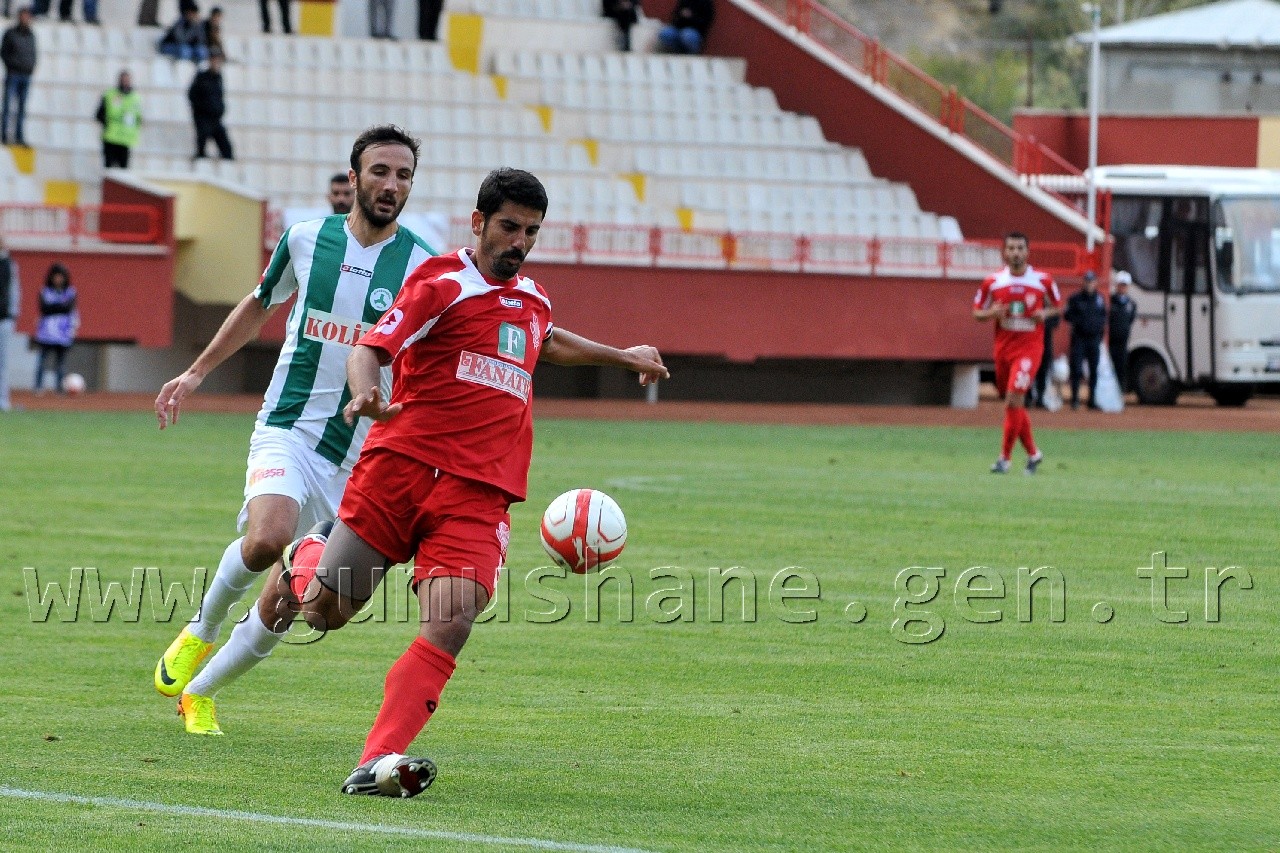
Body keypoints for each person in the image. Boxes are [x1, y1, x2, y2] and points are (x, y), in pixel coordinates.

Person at [281, 167, 668, 798]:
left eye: (531, 232)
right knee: (326, 613)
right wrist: (366, 393)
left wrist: (620, 356)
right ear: (478, 222)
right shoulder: (440, 284)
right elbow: (370, 348)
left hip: (478, 494)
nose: (520, 242)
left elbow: (544, 340)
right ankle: (307, 554)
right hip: (400, 469)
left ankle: (378, 761)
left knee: (454, 617)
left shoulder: (534, 299)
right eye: (510, 227)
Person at [152, 125, 436, 737]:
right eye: (380, 171)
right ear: (353, 178)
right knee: (267, 539)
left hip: (361, 460)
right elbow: (259, 304)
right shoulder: (307, 239)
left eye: (404, 175)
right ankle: (201, 628)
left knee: (294, 599)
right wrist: (196, 371)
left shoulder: (423, 267)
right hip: (289, 426)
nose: (392, 185)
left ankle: (199, 694)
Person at [973, 232, 1061, 474]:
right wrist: (992, 313)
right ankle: (1033, 454)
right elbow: (976, 312)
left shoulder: (1042, 280)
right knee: (1013, 403)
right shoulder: (993, 282)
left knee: (1013, 399)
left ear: (1027, 252)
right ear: (1004, 252)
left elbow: (1058, 306)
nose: (1016, 253)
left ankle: (1005, 458)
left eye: (1020, 248)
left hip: (1029, 349)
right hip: (1003, 350)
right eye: (1011, 248)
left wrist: (1044, 314)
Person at [1064, 270, 1107, 410]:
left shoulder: (1099, 299)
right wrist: (1079, 322)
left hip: (1094, 339)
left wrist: (1099, 333)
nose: (1089, 284)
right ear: (1083, 282)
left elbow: (1103, 317)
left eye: (1091, 281)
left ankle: (1092, 400)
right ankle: (1075, 400)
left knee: (1093, 371)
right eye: (1087, 281)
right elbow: (1067, 315)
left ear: (1095, 283)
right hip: (1079, 339)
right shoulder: (1075, 299)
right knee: (1076, 369)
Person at [32, 262, 77, 394]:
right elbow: (44, 309)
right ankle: (38, 387)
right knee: (42, 360)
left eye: (60, 276)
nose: (58, 279)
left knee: (60, 362)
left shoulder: (70, 292)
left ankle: (59, 388)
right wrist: (60, 307)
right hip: (46, 332)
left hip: (63, 332)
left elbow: (69, 308)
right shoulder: (45, 291)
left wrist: (54, 307)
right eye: (56, 276)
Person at [1, 6, 35, 147]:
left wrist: (30, 67)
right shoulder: (11, 33)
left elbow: (33, 53)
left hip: (26, 75)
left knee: (22, 108)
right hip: (14, 74)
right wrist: (12, 66)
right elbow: (4, 52)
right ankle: (4, 135)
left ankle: (19, 136)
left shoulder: (31, 35)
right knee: (8, 106)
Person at [189, 53, 233, 161]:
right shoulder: (202, 77)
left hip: (215, 118)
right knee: (201, 148)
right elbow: (192, 95)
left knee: (227, 150)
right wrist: (202, 109)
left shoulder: (218, 78)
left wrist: (220, 109)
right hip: (203, 118)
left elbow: (219, 97)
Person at [95, 70, 142, 169]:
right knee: (108, 168)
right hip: (111, 137)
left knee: (123, 170)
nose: (125, 82)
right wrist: (108, 123)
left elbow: (138, 118)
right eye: (123, 80)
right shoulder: (110, 94)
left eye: (127, 80)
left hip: (125, 139)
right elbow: (99, 115)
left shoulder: (135, 98)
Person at [1108, 270, 1137, 392]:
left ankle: (1120, 391)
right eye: (1121, 285)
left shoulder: (1131, 304)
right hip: (1111, 341)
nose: (1122, 287)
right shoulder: (1110, 301)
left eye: (1125, 285)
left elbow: (1130, 319)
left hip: (1123, 341)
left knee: (1121, 366)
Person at [0, 235, 18, 412]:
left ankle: (2, 401)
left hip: (4, 318)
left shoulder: (9, 265)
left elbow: (14, 291)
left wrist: (13, 314)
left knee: (2, 363)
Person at [1030, 309, 1059, 409]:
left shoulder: (1049, 307)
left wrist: (1043, 321)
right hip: (1030, 342)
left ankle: (1040, 398)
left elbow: (1056, 320)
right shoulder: (1031, 304)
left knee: (1043, 370)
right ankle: (1027, 397)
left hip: (1045, 343)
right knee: (1029, 370)